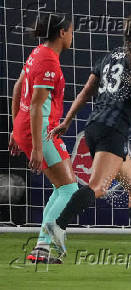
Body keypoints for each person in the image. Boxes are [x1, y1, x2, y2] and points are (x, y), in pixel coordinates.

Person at [44, 13, 131, 265]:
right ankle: (58, 226)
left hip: (95, 126)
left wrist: (68, 120)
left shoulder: (109, 57)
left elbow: (84, 93)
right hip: (112, 130)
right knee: (98, 187)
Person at [8, 13, 76, 264]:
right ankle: (43, 245)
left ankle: (42, 247)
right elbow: (36, 106)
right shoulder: (48, 60)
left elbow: (17, 87)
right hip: (41, 130)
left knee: (63, 188)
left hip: (28, 128)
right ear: (61, 33)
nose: (72, 36)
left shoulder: (37, 52)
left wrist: (16, 129)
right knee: (70, 189)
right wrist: (37, 147)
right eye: (71, 31)